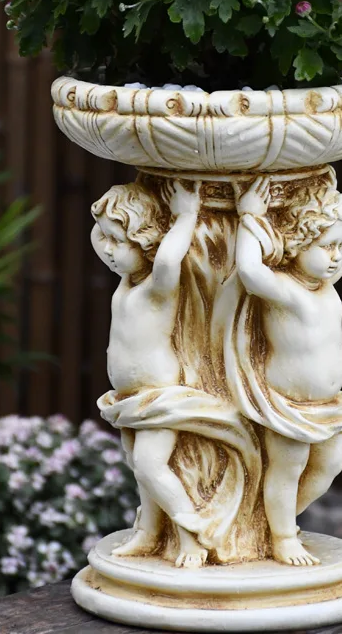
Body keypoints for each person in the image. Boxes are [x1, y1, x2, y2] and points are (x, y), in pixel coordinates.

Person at [228, 176, 342, 566]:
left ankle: (263, 522)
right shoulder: (287, 291)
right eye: (327, 246)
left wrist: (332, 200)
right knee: (288, 468)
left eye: (341, 245)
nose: (336, 256)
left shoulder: (327, 285)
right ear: (298, 245)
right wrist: (250, 217)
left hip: (328, 405)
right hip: (288, 405)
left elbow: (335, 246)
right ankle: (282, 536)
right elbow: (250, 271)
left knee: (330, 465)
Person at [90, 180, 210, 568]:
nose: (107, 248)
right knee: (138, 467)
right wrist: (106, 215)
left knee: (150, 464)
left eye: (117, 241)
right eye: (104, 237)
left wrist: (186, 216)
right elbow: (100, 235)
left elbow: (168, 262)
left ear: (145, 243)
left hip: (158, 394)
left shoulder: (157, 289)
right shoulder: (127, 281)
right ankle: (149, 532)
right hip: (128, 397)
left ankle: (192, 535)